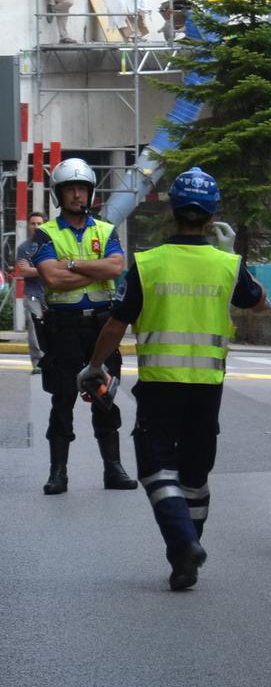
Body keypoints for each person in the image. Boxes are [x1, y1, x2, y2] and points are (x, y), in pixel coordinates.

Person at [81, 167, 268, 590]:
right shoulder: (228, 265)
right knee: (195, 474)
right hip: (207, 389)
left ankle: (183, 545)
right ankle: (188, 552)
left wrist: (94, 365)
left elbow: (116, 325)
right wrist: (236, 257)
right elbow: (259, 303)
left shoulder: (147, 264)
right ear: (212, 213)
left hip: (161, 384)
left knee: (154, 466)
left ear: (173, 210)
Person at [32, 158, 134, 495]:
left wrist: (72, 264)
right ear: (59, 194)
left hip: (101, 327)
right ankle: (58, 472)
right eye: (70, 189)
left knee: (105, 396)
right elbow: (51, 276)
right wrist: (93, 268)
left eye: (83, 188)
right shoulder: (44, 233)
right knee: (62, 400)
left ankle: (114, 470)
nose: (78, 195)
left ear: (90, 193)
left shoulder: (105, 230)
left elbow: (115, 267)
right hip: (63, 327)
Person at [15, 213, 49, 374]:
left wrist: (34, 269)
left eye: (39, 223)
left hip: (52, 293)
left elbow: (62, 267)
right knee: (35, 330)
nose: (36, 226)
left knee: (55, 328)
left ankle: (54, 361)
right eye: (33, 223)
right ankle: (38, 364)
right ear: (29, 226)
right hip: (32, 294)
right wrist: (48, 269)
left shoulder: (53, 244)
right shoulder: (23, 248)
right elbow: (24, 272)